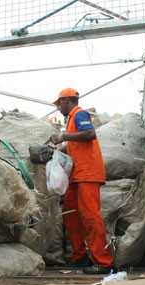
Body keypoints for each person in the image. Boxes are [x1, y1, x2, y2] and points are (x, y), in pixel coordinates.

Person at [51, 88, 114, 274]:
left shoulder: (80, 114)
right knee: (69, 213)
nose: (59, 108)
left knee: (90, 217)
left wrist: (63, 136)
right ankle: (80, 258)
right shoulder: (71, 120)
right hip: (77, 176)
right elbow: (73, 145)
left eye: (59, 103)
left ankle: (104, 263)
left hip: (88, 174)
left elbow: (89, 134)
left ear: (68, 100)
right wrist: (53, 152)